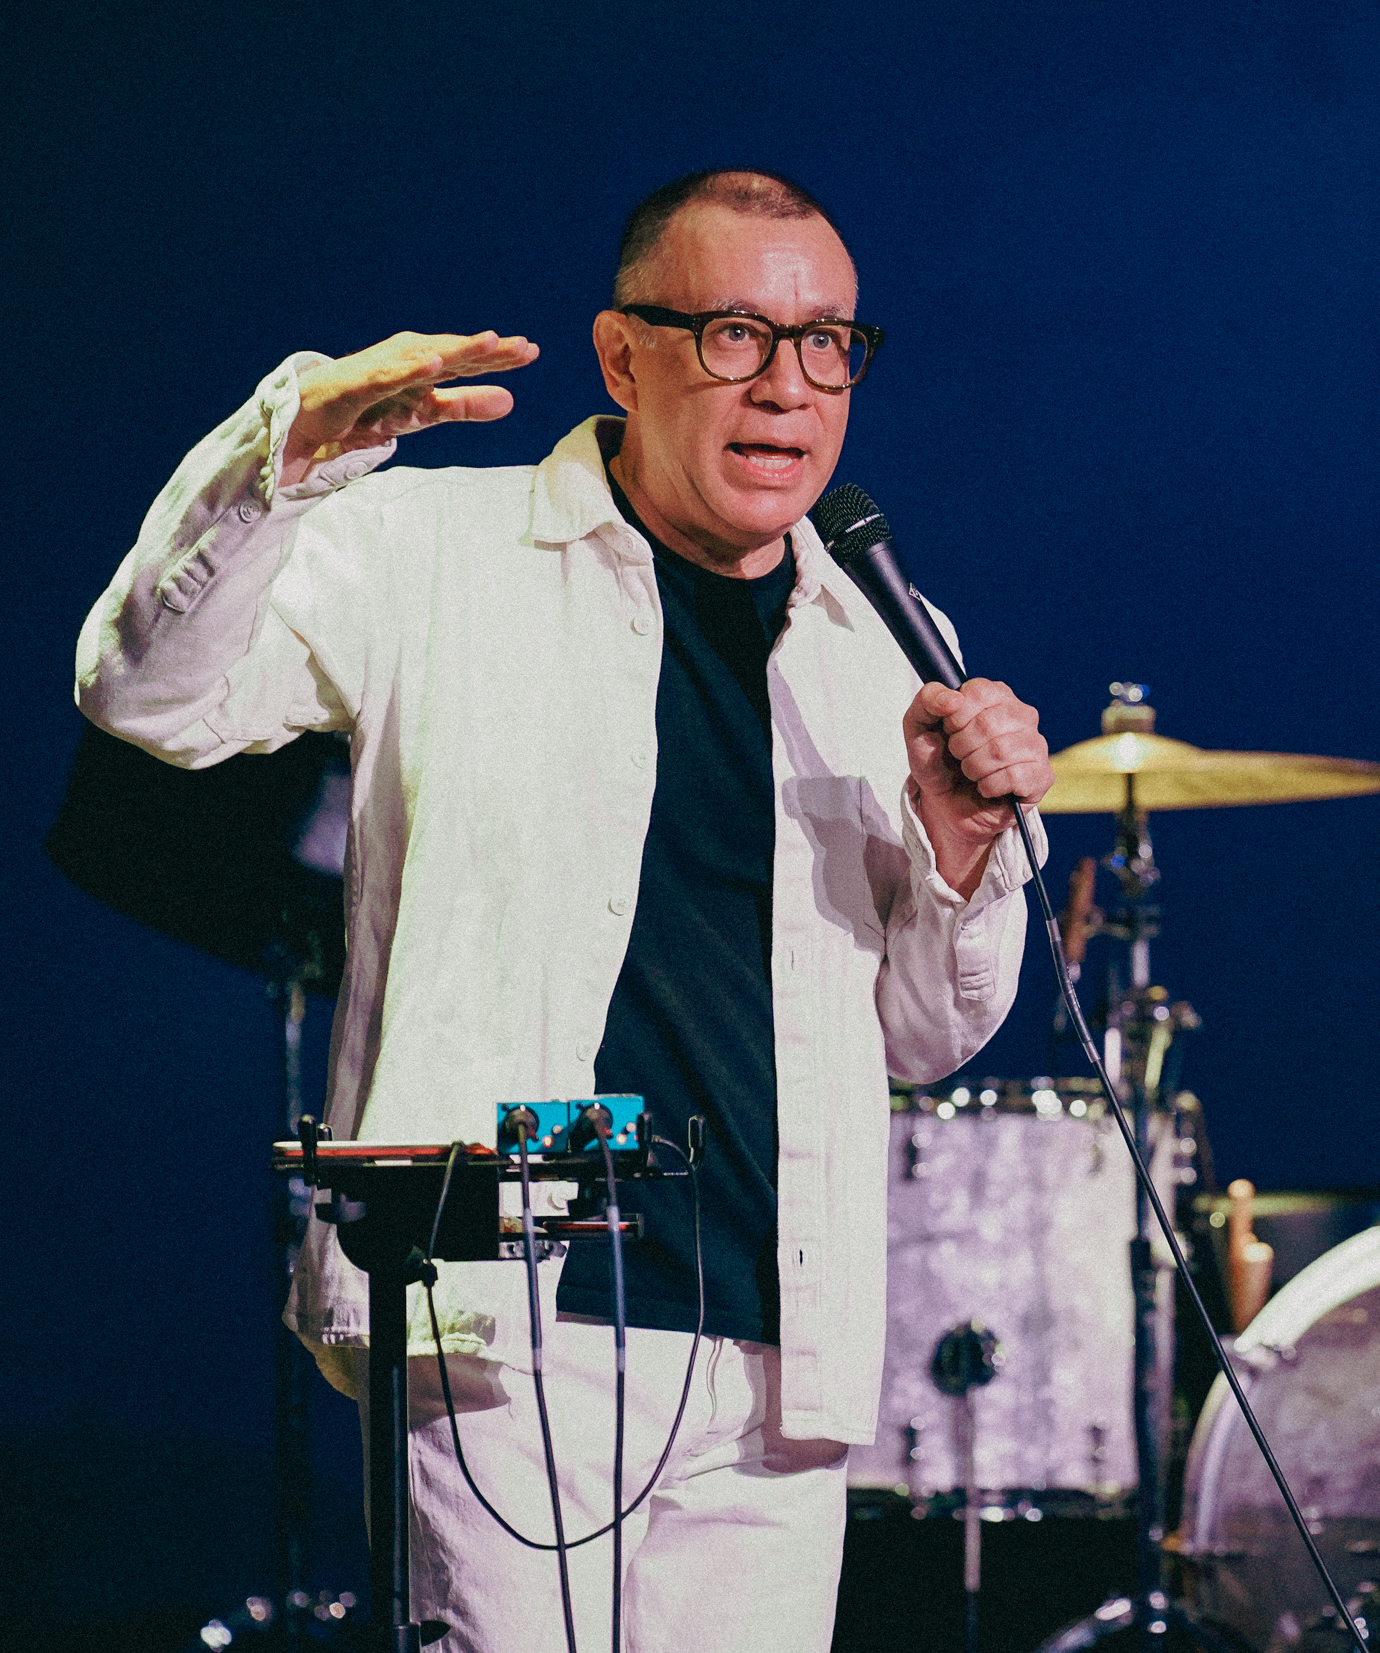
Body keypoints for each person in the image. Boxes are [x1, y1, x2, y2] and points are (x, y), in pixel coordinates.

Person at [74, 168, 1054, 1650]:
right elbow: (150, 692)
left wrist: (967, 847)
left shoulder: (881, 641)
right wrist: (276, 459)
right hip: (511, 1328)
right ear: (621, 355)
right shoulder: (432, 552)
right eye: (735, 334)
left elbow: (922, 1035)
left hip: (782, 1355)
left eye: (828, 343)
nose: (788, 386)